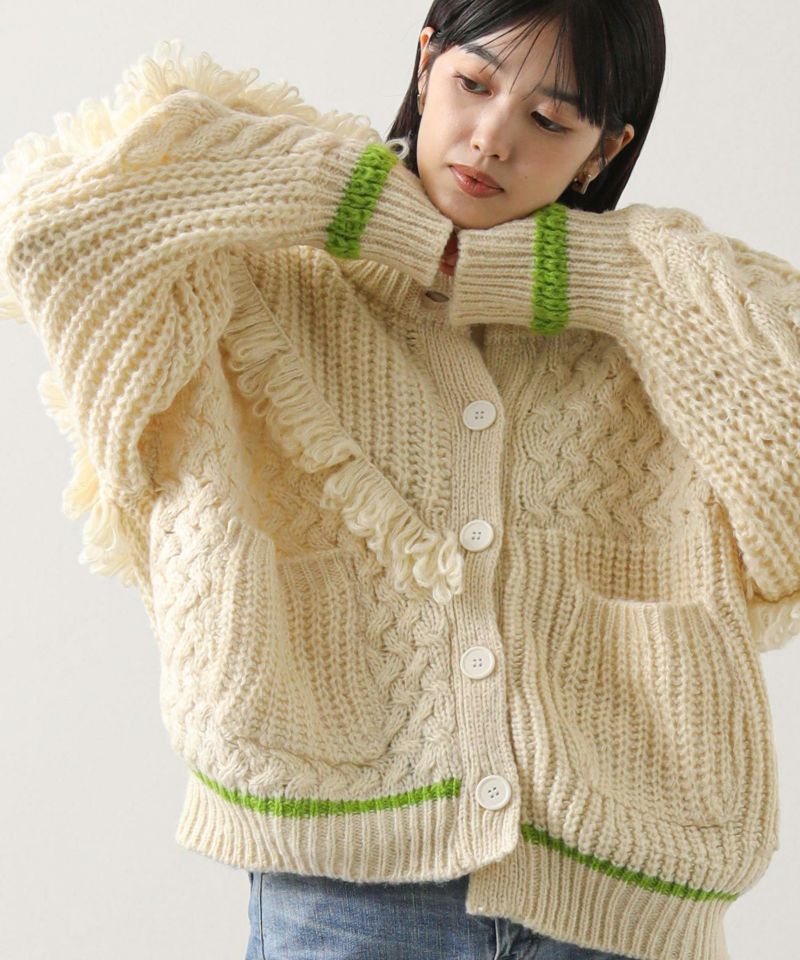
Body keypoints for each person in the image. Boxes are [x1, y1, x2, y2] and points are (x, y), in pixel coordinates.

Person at [1, 0, 798, 957]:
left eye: (550, 119)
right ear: (425, 64)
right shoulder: (276, 277)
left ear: (604, 150)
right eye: (473, 83)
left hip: (623, 899)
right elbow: (46, 233)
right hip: (349, 887)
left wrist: (598, 277)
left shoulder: (656, 318)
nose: (492, 137)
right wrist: (358, 203)